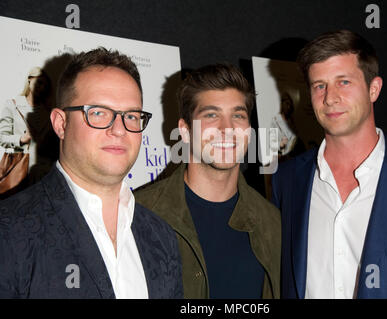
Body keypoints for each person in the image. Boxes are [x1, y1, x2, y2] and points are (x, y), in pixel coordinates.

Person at [272, 30, 387, 299]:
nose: (330, 97)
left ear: (373, 88)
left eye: (343, 82)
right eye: (319, 85)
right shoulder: (286, 181)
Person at [0, 47, 183, 298]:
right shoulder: (8, 231)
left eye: (131, 115)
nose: (119, 129)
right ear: (61, 124)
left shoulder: (162, 237)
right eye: (98, 112)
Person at [134, 63, 281, 299]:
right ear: (185, 130)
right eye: (211, 115)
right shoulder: (137, 215)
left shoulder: (273, 223)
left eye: (238, 115)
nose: (227, 128)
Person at [0, 67, 53, 189]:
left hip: (41, 171)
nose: (41, 88)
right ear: (29, 80)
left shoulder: (48, 111)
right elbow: (2, 137)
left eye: (45, 85)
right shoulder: (12, 105)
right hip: (18, 168)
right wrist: (21, 139)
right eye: (39, 82)